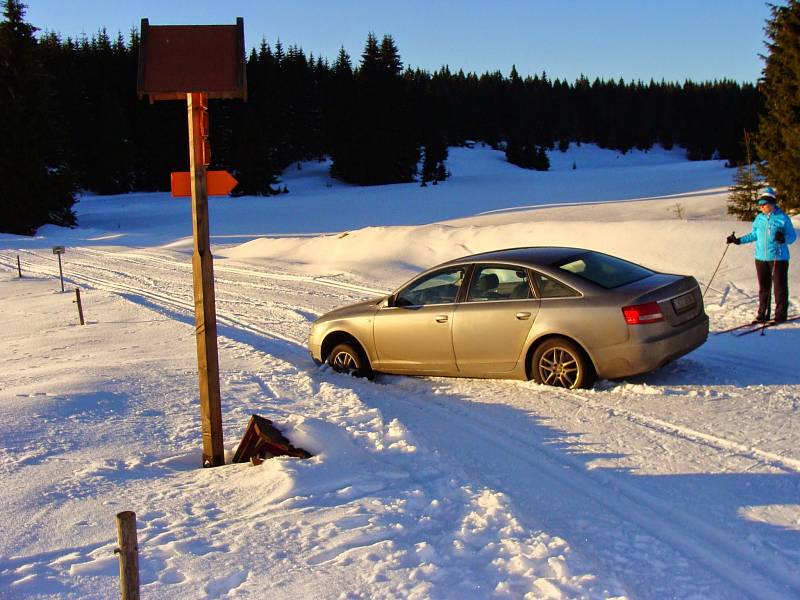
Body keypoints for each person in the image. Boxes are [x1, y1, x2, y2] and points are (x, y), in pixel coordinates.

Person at [727, 186, 796, 322]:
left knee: (779, 287)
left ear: (772, 203)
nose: (762, 207)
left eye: (764, 204)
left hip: (778, 257)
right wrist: (738, 240)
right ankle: (762, 314)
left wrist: (783, 238)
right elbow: (754, 235)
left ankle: (780, 315)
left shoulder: (782, 218)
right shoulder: (759, 218)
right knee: (764, 288)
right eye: (760, 204)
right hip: (760, 258)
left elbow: (792, 236)